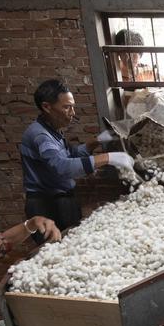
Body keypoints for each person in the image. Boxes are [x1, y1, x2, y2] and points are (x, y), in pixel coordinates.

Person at [19, 79, 135, 235]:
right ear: (46, 107)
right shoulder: (41, 136)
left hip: (63, 200)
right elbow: (62, 167)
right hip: (48, 206)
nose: (72, 113)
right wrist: (107, 158)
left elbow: (70, 154)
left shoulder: (52, 130)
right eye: (67, 108)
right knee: (56, 249)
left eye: (73, 107)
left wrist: (96, 142)